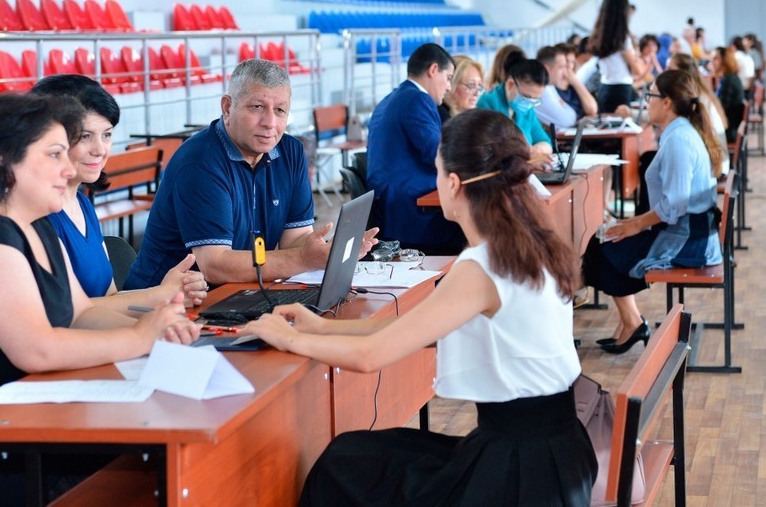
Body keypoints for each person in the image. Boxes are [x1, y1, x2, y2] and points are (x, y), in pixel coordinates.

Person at [244, 109, 597, 506]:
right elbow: (412, 327)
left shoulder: (483, 264)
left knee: (343, 468)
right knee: (355, 455)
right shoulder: (532, 241)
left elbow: (371, 356)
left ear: (452, 183)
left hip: (520, 476)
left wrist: (289, 339)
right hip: (555, 453)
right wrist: (318, 328)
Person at [0, 93, 200, 505]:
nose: (69, 169)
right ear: (2, 160)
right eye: (54, 154)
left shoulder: (35, 223)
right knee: (142, 467)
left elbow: (81, 312)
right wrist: (141, 335)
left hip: (11, 421)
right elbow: (39, 350)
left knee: (157, 456)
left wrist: (164, 328)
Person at [124, 59, 378, 288]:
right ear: (227, 107)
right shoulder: (200, 162)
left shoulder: (290, 151)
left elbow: (295, 239)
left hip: (238, 292)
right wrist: (303, 259)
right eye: (257, 107)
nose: (270, 122)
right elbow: (215, 265)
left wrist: (329, 250)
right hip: (160, 303)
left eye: (280, 110)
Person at [29, 75, 208, 313]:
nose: (100, 150)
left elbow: (110, 297)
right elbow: (71, 313)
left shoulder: (82, 203)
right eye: (85, 136)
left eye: (107, 135)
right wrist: (159, 296)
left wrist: (169, 296)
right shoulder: (37, 216)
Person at [583, 70, 723, 353]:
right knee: (605, 239)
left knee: (603, 244)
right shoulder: (679, 132)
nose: (647, 102)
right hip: (690, 232)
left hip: (687, 241)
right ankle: (631, 322)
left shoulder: (678, 141)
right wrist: (631, 222)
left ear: (667, 102)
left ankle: (632, 323)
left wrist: (633, 225)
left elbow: (674, 206)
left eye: (650, 96)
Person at [366, 43, 465, 255]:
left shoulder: (392, 97)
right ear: (433, 70)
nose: (449, 87)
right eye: (448, 78)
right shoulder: (417, 99)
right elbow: (439, 155)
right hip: (409, 211)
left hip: (390, 208)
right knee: (474, 226)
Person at [476, 56, 554, 167]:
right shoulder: (488, 104)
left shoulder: (526, 109)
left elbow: (545, 141)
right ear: (510, 84)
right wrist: (528, 156)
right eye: (526, 97)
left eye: (534, 100)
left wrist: (537, 150)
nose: (529, 103)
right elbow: (492, 152)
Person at [587, 0, 646, 113]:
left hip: (604, 88)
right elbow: (637, 71)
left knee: (607, 128)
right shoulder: (622, 39)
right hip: (620, 89)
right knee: (622, 129)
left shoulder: (599, 36)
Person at [667, 53, 729, 168]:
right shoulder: (699, 89)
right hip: (717, 158)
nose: (667, 73)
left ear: (682, 71)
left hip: (714, 164)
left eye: (671, 69)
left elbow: (666, 115)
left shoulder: (691, 96)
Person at [535, 45, 598, 128]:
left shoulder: (553, 87)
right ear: (547, 68)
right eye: (562, 66)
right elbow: (568, 121)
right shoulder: (543, 89)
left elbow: (592, 109)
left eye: (572, 62)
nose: (568, 68)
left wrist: (575, 81)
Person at [711, 46, 746, 142]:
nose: (712, 62)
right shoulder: (730, 77)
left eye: (715, 58)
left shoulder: (728, 80)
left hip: (729, 130)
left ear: (724, 60)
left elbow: (721, 106)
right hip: (732, 125)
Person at [439, 55, 484, 122]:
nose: (477, 94)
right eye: (471, 85)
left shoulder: (477, 117)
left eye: (479, 86)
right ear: (451, 84)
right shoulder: (440, 117)